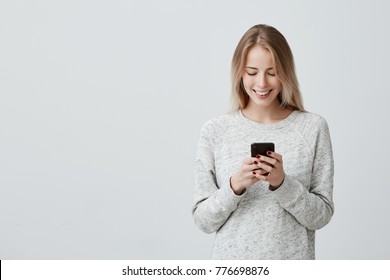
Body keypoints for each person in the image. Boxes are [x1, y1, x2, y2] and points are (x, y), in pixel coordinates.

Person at [192, 24, 334, 259]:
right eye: (252, 72)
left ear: (285, 72)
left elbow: (321, 216)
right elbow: (203, 221)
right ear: (240, 72)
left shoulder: (312, 128)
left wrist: (282, 184)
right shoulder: (215, 131)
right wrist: (234, 186)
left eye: (272, 72)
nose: (262, 83)